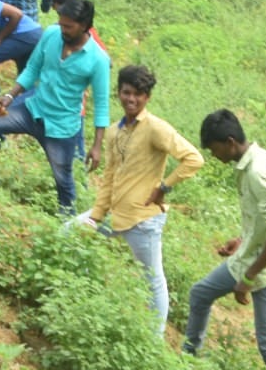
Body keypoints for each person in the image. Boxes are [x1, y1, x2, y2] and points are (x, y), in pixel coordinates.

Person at [71, 64, 202, 331]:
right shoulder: (114, 132)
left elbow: (193, 159)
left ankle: (155, 340)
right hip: (115, 214)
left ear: (147, 98)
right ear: (118, 93)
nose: (131, 99)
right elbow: (109, 176)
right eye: (126, 93)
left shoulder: (156, 128)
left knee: (153, 279)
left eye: (138, 94)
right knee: (69, 233)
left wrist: (164, 187)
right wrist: (95, 216)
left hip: (143, 220)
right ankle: (80, 300)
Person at [183, 111, 266, 370]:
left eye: (214, 148)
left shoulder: (260, 172)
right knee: (200, 293)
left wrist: (249, 276)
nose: (212, 155)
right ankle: (186, 363)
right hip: (249, 255)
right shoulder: (251, 163)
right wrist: (240, 240)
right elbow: (263, 222)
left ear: (230, 143)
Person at [0, 0, 109, 215]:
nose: (62, 29)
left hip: (61, 127)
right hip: (32, 109)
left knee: (63, 182)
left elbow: (102, 105)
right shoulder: (51, 35)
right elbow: (32, 69)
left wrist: (96, 146)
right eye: (61, 23)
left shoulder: (98, 60)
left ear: (84, 26)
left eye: (68, 26)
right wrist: (9, 96)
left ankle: (66, 226)